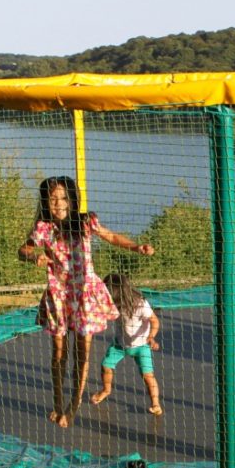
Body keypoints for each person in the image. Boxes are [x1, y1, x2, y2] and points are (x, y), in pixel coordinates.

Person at [18, 176, 154, 427]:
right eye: (52, 199)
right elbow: (23, 250)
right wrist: (34, 257)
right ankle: (58, 400)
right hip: (60, 295)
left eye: (63, 198)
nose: (58, 203)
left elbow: (111, 236)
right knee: (59, 352)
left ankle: (75, 401)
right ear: (45, 202)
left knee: (82, 352)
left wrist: (136, 247)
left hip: (85, 295)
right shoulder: (43, 228)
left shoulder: (85, 222)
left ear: (72, 199)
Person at [91, 273, 163, 415]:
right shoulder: (114, 304)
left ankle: (156, 404)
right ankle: (106, 390)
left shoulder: (140, 303)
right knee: (106, 365)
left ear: (117, 292)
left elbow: (154, 321)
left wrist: (151, 337)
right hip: (120, 344)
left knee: (148, 376)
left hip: (142, 346)